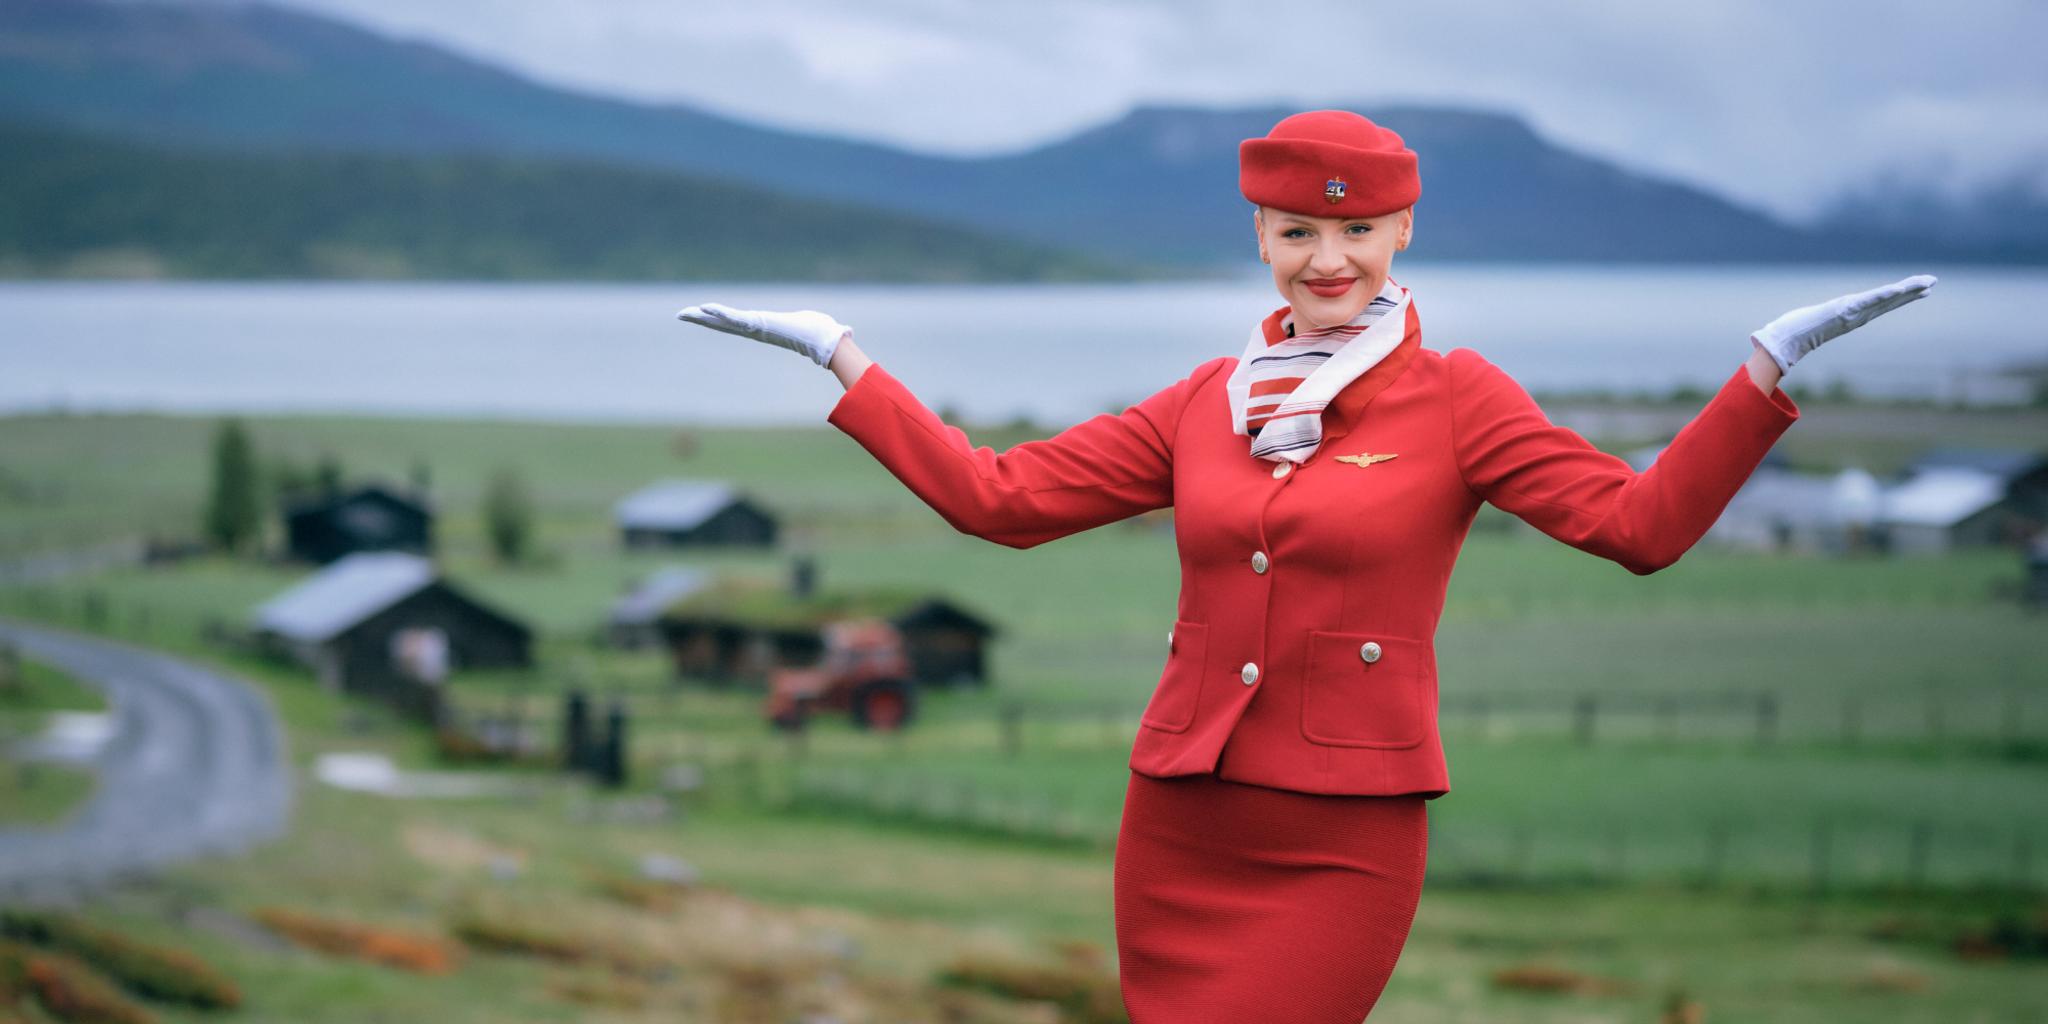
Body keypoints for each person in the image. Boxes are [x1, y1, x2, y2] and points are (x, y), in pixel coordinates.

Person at [675, 109, 1935, 1022]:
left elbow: (1638, 527)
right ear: (1262, 239)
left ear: (1400, 233)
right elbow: (995, 500)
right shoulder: (1200, 401)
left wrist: (1759, 375)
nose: (1327, 261)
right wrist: (843, 357)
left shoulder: (1459, 398)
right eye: (1296, 232)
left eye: (1356, 231)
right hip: (1180, 820)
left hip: (1342, 835)